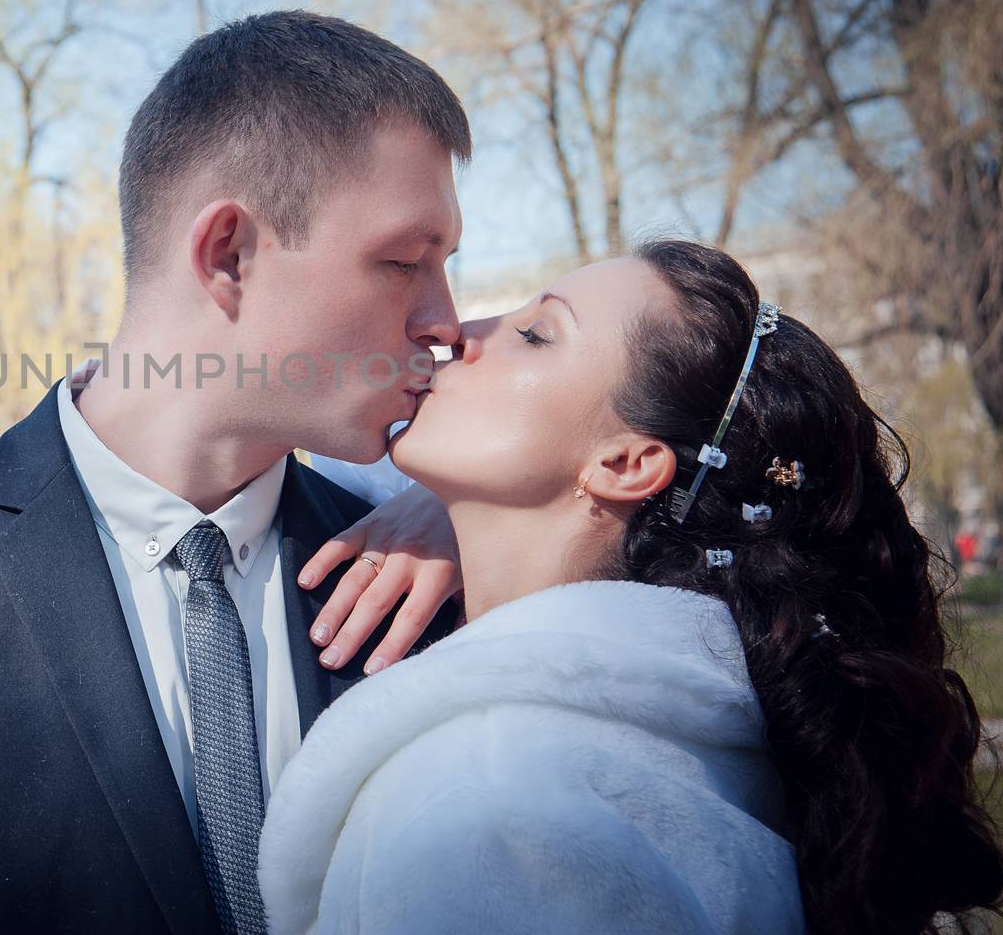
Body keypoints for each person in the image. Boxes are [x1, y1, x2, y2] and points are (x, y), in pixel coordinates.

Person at [0, 11, 474, 935]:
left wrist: (482, 511)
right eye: (403, 262)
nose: (447, 321)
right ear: (229, 254)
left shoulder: (439, 591)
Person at [258, 240, 1003, 935]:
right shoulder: (706, 747)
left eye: (536, 333)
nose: (458, 329)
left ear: (623, 465)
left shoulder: (489, 808)